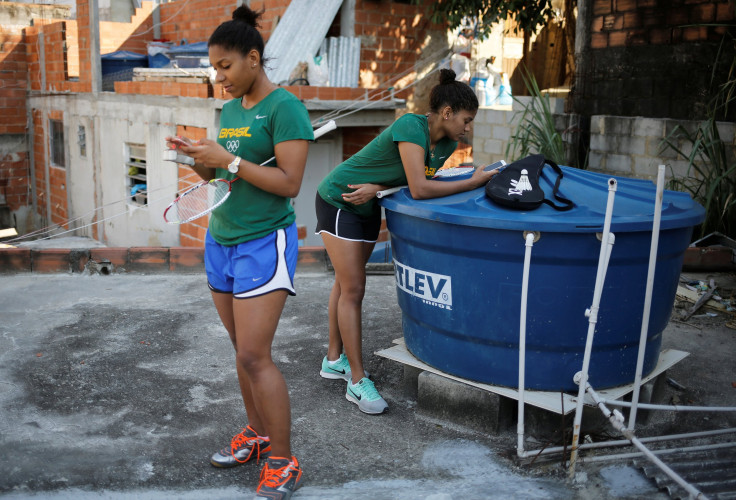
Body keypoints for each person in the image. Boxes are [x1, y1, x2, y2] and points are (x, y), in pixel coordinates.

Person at [166, 6, 313, 499]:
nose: (218, 76)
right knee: (241, 352)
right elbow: (226, 176)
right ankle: (257, 433)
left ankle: (283, 460)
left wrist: (227, 157)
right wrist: (200, 160)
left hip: (263, 240)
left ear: (253, 58)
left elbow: (289, 183)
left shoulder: (285, 107)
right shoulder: (229, 111)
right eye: (214, 67)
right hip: (222, 237)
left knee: (255, 354)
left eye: (225, 66)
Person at [314, 68, 500, 415]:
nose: (468, 127)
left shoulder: (445, 143)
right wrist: (472, 183)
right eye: (466, 119)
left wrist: (380, 189)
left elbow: (409, 180)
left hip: (368, 202)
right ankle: (356, 381)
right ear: (447, 113)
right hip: (340, 200)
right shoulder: (411, 127)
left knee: (345, 284)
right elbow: (420, 188)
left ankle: (333, 359)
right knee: (354, 289)